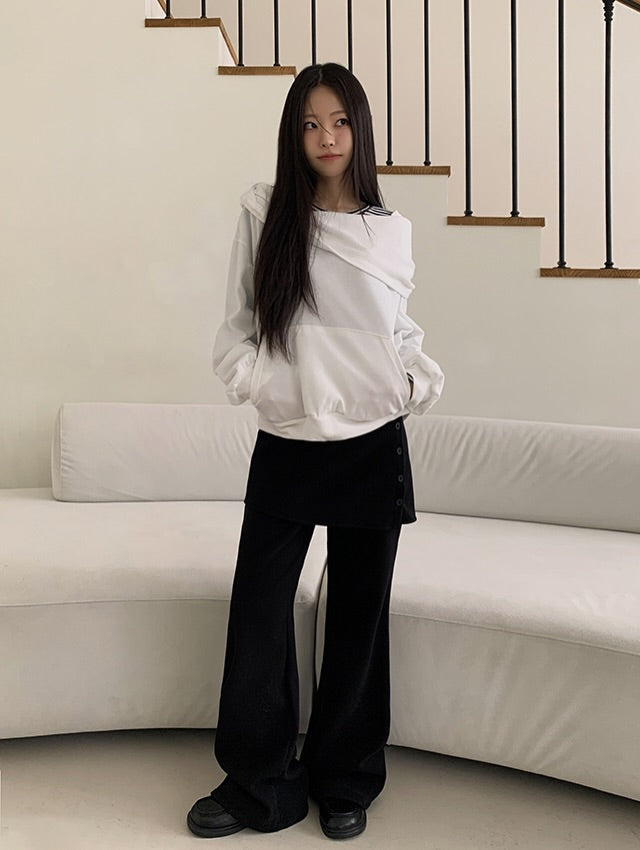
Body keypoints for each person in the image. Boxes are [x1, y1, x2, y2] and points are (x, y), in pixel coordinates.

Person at [187, 62, 444, 841]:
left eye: (338, 122)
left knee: (359, 617)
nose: (326, 137)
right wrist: (263, 386)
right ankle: (257, 784)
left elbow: (396, 329)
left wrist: (411, 380)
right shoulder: (266, 212)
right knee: (260, 611)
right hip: (289, 439)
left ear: (359, 130)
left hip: (373, 441)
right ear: (292, 135)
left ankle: (346, 780)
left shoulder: (389, 229)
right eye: (309, 123)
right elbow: (239, 323)